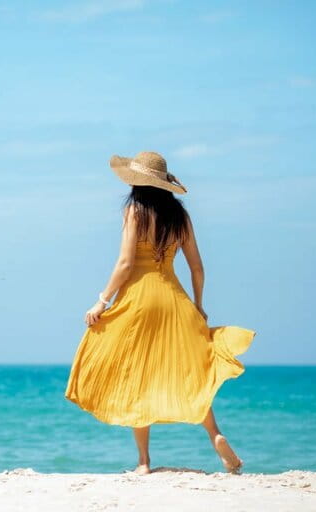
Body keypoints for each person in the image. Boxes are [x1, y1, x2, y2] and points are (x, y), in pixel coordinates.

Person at [64, 151, 256, 476]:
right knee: (192, 375)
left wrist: (101, 301)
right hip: (175, 300)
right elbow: (197, 267)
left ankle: (143, 462)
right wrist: (198, 305)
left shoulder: (134, 211)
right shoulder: (180, 216)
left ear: (136, 182)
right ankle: (216, 436)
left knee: (137, 377)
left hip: (139, 301)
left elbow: (126, 263)